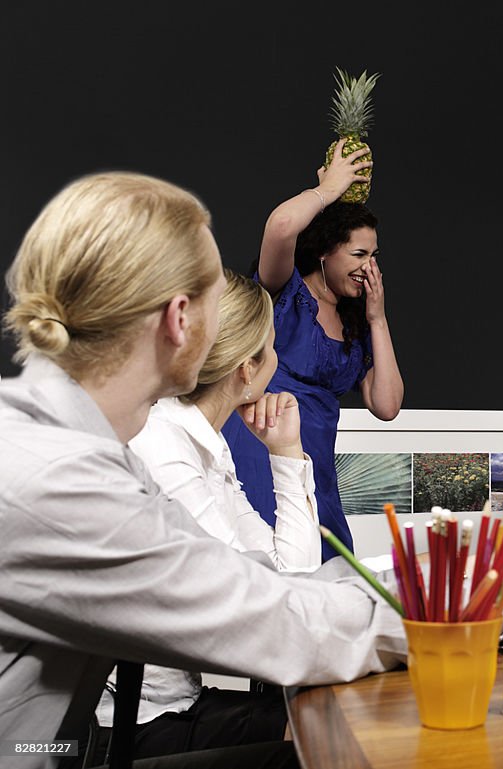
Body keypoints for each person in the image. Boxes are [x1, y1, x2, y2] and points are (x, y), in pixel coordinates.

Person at [0, 172, 407, 769]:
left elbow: (264, 583)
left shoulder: (95, 449)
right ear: (180, 318)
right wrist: (475, 596)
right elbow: (269, 622)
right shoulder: (60, 477)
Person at [92, 270, 322, 759]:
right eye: (272, 347)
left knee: (325, 718)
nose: (277, 361)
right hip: (129, 727)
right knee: (321, 736)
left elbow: (295, 581)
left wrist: (287, 451)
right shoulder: (162, 448)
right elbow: (260, 611)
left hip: (177, 703)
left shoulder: (204, 447)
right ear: (246, 369)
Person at [223, 147, 403, 558]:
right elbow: (282, 225)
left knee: (325, 573)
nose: (369, 266)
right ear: (324, 252)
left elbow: (388, 405)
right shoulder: (283, 292)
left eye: (374, 256)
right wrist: (328, 189)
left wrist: (377, 318)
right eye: (359, 254)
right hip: (257, 449)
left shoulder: (357, 325)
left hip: (313, 466)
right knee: (270, 564)